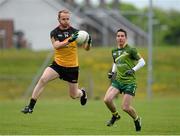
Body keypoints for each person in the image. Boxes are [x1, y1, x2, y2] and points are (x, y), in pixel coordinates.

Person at [21, 9, 92, 114]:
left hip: (72, 67)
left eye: (67, 19)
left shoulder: (76, 32)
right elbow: (56, 46)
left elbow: (86, 49)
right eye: (63, 19)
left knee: (73, 95)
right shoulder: (54, 32)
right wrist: (69, 40)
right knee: (42, 79)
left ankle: (82, 93)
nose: (66, 21)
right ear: (58, 19)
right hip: (58, 65)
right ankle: (30, 107)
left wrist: (88, 42)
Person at [103, 28, 145, 131]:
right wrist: (112, 72)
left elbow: (142, 62)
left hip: (129, 82)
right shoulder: (114, 51)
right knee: (107, 100)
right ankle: (115, 116)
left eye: (122, 36)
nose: (120, 38)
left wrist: (133, 70)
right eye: (118, 36)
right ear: (116, 38)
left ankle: (137, 119)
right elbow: (115, 62)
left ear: (126, 38)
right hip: (118, 80)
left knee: (125, 107)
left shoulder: (131, 50)